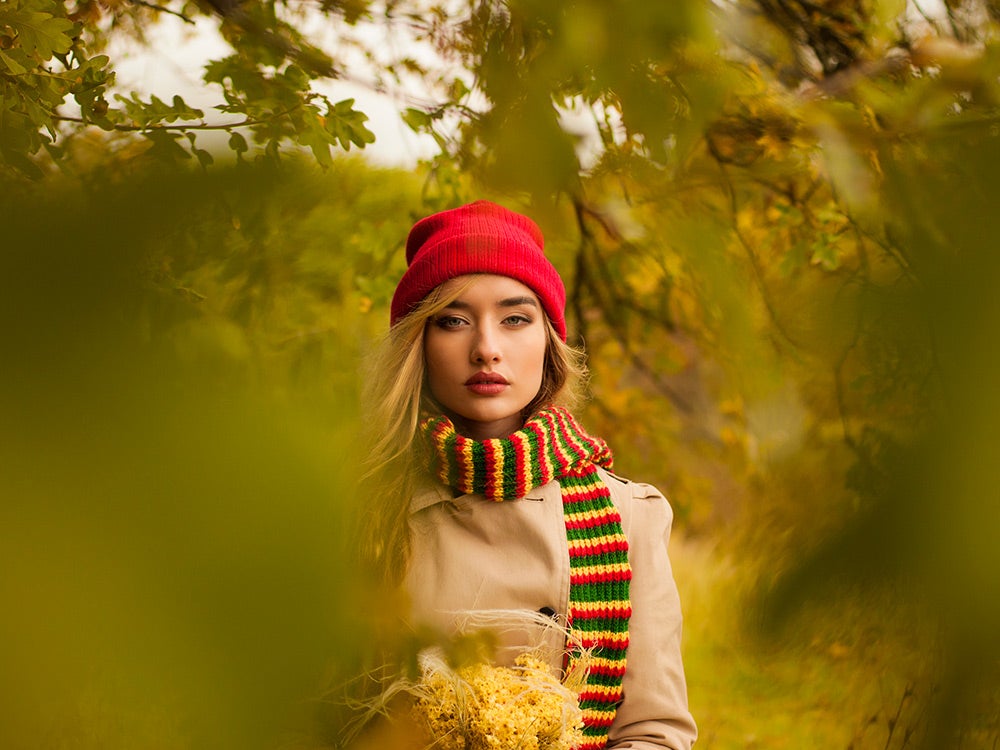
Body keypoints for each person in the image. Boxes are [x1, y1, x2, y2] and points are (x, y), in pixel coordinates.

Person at [358, 200, 697, 750]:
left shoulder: (628, 518)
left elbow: (651, 733)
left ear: (548, 341)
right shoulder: (361, 514)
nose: (486, 349)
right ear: (417, 346)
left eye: (515, 318)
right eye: (453, 320)